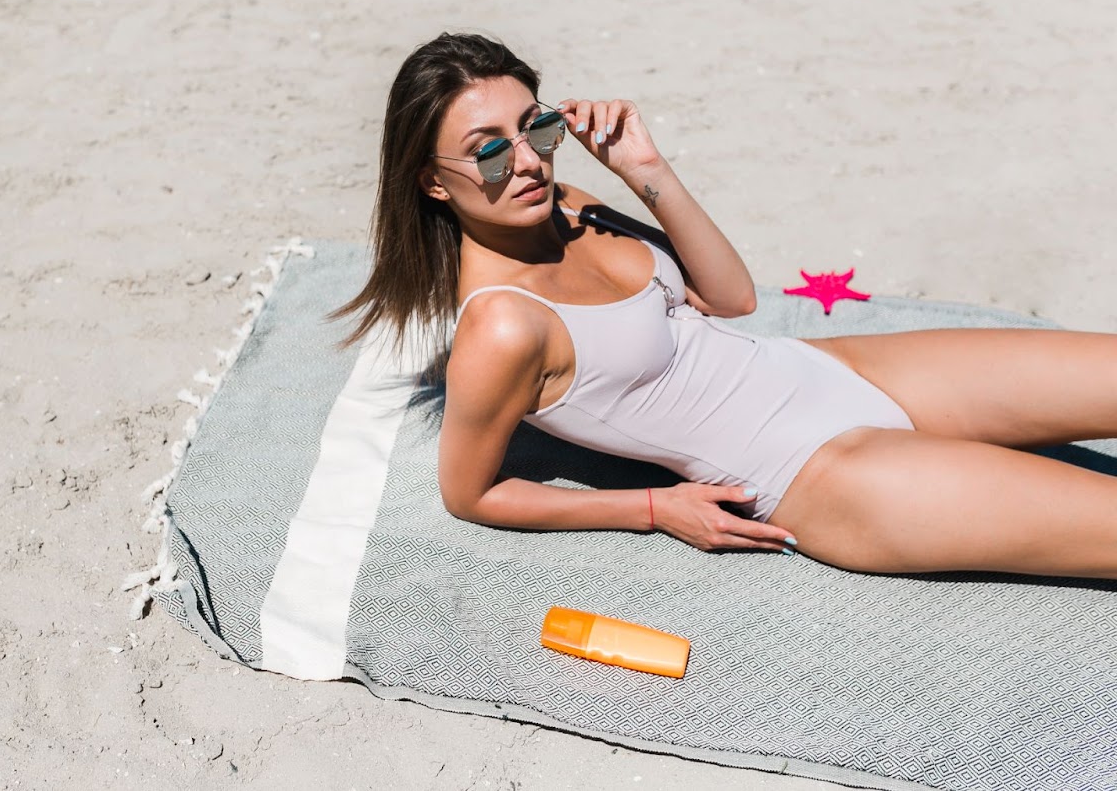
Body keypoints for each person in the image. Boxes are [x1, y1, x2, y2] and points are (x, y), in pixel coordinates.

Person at [331, 31, 1117, 581]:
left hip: (829, 370)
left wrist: (645, 167)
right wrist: (652, 508)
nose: (528, 160)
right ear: (432, 182)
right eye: (489, 149)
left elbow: (731, 298)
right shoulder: (503, 326)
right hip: (819, 473)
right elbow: (470, 494)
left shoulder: (567, 203)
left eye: (532, 125)